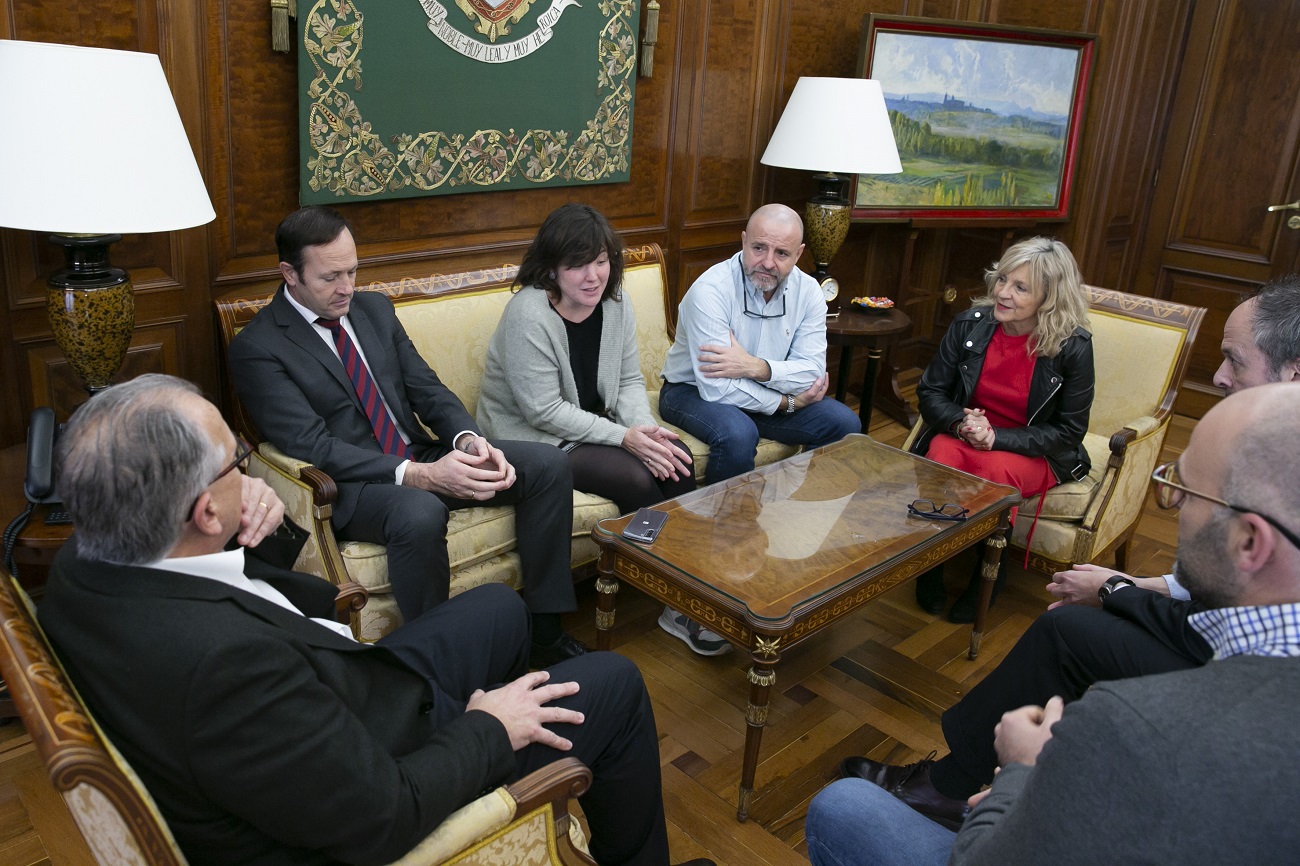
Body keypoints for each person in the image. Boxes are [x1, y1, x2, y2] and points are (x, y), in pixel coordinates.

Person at [38, 375, 712, 866]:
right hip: (376, 776)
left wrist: (257, 528)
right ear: (204, 514)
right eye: (239, 463)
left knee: (501, 610)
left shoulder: (85, 563)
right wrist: (488, 727)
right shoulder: (226, 669)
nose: (252, 476)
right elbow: (382, 818)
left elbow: (276, 599)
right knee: (615, 685)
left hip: (342, 699)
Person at [833, 275, 1300, 832]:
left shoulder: (1239, 727)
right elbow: (1246, 596)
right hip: (1218, 639)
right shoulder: (971, 325)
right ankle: (952, 767)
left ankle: (967, 784)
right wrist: (1153, 587)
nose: (1219, 376)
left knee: (838, 813)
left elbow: (1224, 631)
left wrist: (1116, 591)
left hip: (1218, 679)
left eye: (1233, 360)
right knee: (1057, 614)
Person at [227, 206, 585, 666]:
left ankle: (545, 633)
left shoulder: (374, 310)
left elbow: (427, 390)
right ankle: (434, 664)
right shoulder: (259, 348)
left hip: (418, 452)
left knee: (548, 466)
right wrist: (416, 475)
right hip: (354, 488)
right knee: (419, 509)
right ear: (289, 274)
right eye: (330, 277)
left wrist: (467, 442)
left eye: (353, 271)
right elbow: (311, 445)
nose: (347, 288)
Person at [476, 204, 722, 655]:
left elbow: (628, 381)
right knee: (633, 478)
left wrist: (647, 432)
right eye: (577, 265)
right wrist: (626, 439)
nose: (593, 276)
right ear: (551, 269)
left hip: (592, 424)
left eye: (602, 261)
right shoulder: (528, 314)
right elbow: (544, 411)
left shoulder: (615, 300)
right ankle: (675, 598)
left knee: (677, 464)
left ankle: (687, 583)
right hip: (533, 437)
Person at [911, 237, 1094, 623]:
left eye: (1020, 287)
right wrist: (963, 424)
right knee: (941, 456)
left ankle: (989, 569)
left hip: (1032, 449)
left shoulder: (1072, 347)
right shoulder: (969, 326)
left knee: (994, 472)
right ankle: (931, 560)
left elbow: (1069, 430)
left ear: (1049, 297)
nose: (1002, 293)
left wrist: (998, 438)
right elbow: (930, 392)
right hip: (967, 433)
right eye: (1003, 279)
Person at [658, 203, 860, 488]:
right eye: (758, 248)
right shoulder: (711, 291)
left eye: (781, 253)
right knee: (739, 434)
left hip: (765, 387)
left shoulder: (810, 292)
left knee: (844, 424)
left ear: (799, 254)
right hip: (691, 391)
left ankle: (797, 516)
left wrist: (756, 368)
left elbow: (812, 374)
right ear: (743, 242)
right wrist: (786, 403)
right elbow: (716, 387)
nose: (767, 262)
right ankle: (724, 529)